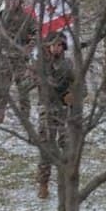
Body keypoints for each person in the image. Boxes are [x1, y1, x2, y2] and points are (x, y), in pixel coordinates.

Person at [35, 31, 77, 199]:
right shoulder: (41, 64)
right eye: (54, 45)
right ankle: (43, 183)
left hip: (63, 111)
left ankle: (67, 181)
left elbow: (81, 87)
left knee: (67, 146)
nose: (57, 48)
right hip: (46, 109)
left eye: (60, 45)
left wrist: (73, 95)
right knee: (46, 147)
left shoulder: (68, 65)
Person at [0, 0, 36, 122]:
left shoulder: (27, 17)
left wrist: (30, 45)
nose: (13, 2)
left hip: (20, 58)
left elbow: (37, 31)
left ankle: (25, 116)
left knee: (23, 88)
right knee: (2, 88)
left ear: (20, 1)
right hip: (5, 57)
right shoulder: (1, 15)